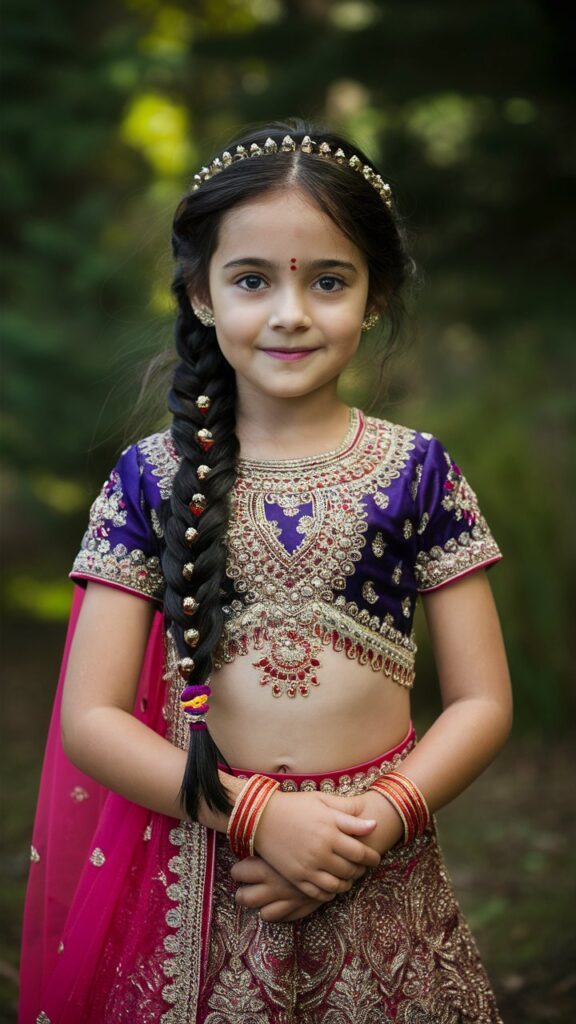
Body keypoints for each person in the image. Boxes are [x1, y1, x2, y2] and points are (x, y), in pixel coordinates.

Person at [20, 120, 512, 1024]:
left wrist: (376, 822)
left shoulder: (417, 471)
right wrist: (256, 818)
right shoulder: (151, 481)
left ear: (373, 298)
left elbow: (483, 701)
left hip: (381, 871)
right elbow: (88, 719)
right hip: (204, 877)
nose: (291, 312)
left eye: (328, 281)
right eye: (252, 279)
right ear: (201, 294)